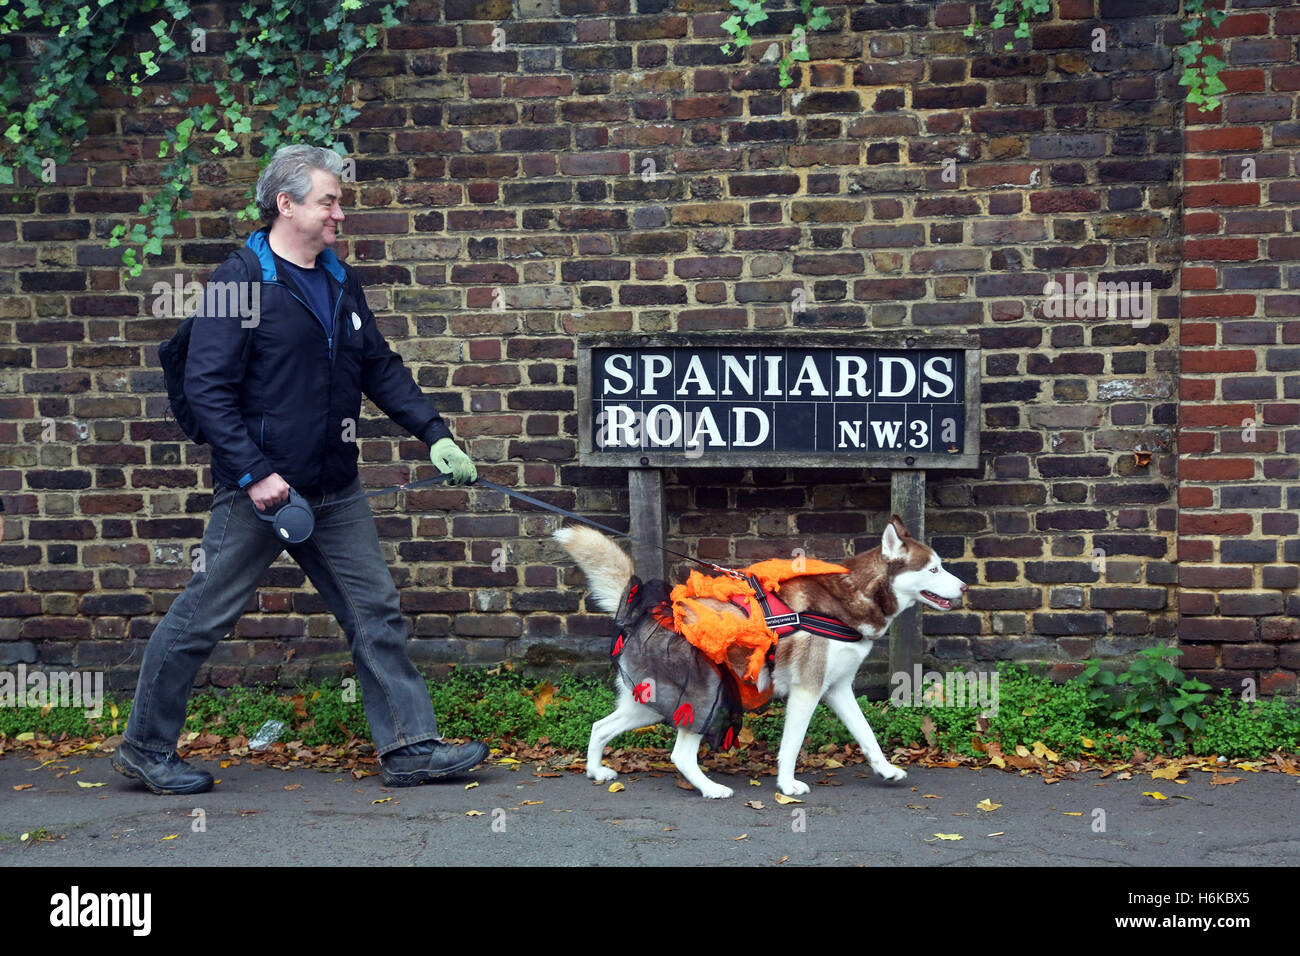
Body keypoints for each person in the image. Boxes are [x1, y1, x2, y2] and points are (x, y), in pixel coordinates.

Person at [114, 145, 488, 795]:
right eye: (329, 200)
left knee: (375, 611)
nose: (339, 211)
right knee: (203, 614)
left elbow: (378, 367)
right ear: (286, 204)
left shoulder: (339, 279)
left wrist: (434, 434)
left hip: (333, 485)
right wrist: (256, 475)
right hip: (259, 492)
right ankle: (145, 747)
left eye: (338, 200)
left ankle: (409, 747)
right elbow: (208, 388)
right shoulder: (241, 282)